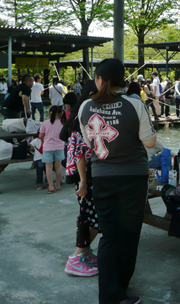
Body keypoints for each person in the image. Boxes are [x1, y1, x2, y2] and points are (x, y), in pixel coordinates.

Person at [78, 58, 157, 304]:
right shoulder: (135, 104)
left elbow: (89, 143)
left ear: (99, 79)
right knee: (129, 234)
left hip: (102, 177)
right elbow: (150, 143)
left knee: (109, 235)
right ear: (122, 80)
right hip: (134, 177)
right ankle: (120, 290)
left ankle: (109, 296)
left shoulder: (85, 107)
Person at [61, 80, 100, 277]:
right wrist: (83, 182)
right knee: (94, 218)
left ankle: (85, 254)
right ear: (92, 94)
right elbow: (80, 154)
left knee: (89, 216)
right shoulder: (83, 117)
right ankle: (76, 258)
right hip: (84, 175)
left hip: (82, 174)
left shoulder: (77, 115)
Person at [39, 106, 65, 194]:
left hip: (48, 147)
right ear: (60, 113)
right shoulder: (63, 123)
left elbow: (41, 136)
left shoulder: (45, 123)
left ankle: (50, 187)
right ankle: (58, 185)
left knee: (48, 168)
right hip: (59, 146)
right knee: (58, 167)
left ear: (50, 113)